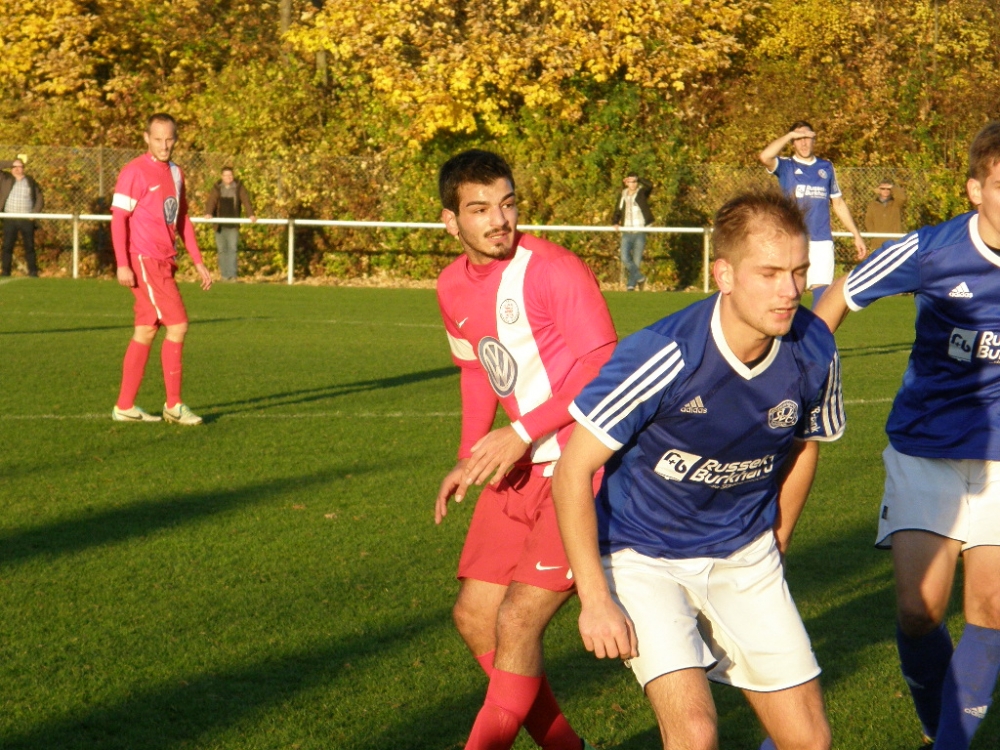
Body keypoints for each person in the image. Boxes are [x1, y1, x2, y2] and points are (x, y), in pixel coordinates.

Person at [553, 190, 845, 750]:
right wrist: (595, 599)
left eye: (800, 272)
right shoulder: (662, 353)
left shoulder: (815, 350)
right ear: (724, 274)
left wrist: (777, 541)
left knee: (809, 741)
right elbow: (573, 470)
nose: (790, 292)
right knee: (694, 733)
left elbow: (806, 446)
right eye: (770, 273)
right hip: (643, 556)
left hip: (745, 555)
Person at [814, 121, 1000, 750]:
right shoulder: (931, 249)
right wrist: (802, 377)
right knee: (920, 613)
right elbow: (840, 294)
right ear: (976, 189)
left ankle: (949, 744)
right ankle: (936, 725)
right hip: (926, 448)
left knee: (992, 609)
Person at [434, 149, 617, 750]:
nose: (499, 220)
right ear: (450, 222)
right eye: (480, 209)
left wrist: (519, 432)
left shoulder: (553, 269)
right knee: (474, 617)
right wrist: (469, 455)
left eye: (507, 204)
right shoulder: (450, 286)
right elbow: (474, 371)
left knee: (516, 621)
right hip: (517, 468)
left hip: (576, 464)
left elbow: (602, 366)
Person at [110, 113, 212, 425]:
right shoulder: (134, 172)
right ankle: (174, 405)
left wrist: (198, 261)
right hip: (144, 259)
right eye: (157, 139)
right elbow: (118, 219)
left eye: (169, 139)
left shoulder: (176, 173)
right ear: (146, 138)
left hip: (165, 260)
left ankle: (125, 406)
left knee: (146, 329)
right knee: (178, 324)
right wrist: (123, 264)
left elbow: (181, 220)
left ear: (176, 138)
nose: (164, 145)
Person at [759, 121, 867, 308]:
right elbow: (764, 156)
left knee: (823, 297)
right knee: (791, 293)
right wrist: (789, 135)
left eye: (808, 138)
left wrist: (856, 235)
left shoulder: (825, 168)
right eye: (799, 139)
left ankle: (817, 336)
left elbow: (838, 203)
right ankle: (789, 336)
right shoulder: (786, 167)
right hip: (794, 239)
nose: (804, 143)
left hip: (822, 240)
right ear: (793, 142)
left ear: (814, 140)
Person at [204, 166, 256, 281]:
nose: (228, 177)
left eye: (230, 175)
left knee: (232, 249)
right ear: (222, 177)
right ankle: (224, 276)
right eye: (226, 175)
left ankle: (232, 276)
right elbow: (211, 201)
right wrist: (208, 213)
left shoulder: (238, 187)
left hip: (233, 224)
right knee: (222, 250)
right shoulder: (217, 187)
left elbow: (246, 201)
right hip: (220, 225)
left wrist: (250, 214)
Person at [0, 155, 44, 277]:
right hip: (10, 218)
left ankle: (33, 272)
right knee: (7, 246)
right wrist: (10, 162)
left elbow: (39, 198)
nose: (18, 169)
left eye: (20, 167)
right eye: (15, 167)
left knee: (29, 246)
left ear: (24, 168)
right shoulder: (6, 179)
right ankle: (5, 271)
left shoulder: (30, 181)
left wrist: (35, 213)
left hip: (26, 219)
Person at [611, 173, 654, 291]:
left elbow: (650, 185)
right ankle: (640, 278)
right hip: (627, 230)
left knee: (636, 260)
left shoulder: (641, 193)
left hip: (639, 230)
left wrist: (639, 178)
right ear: (626, 182)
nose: (633, 184)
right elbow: (618, 210)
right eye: (630, 181)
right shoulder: (623, 194)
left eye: (635, 182)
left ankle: (630, 285)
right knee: (624, 257)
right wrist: (615, 221)